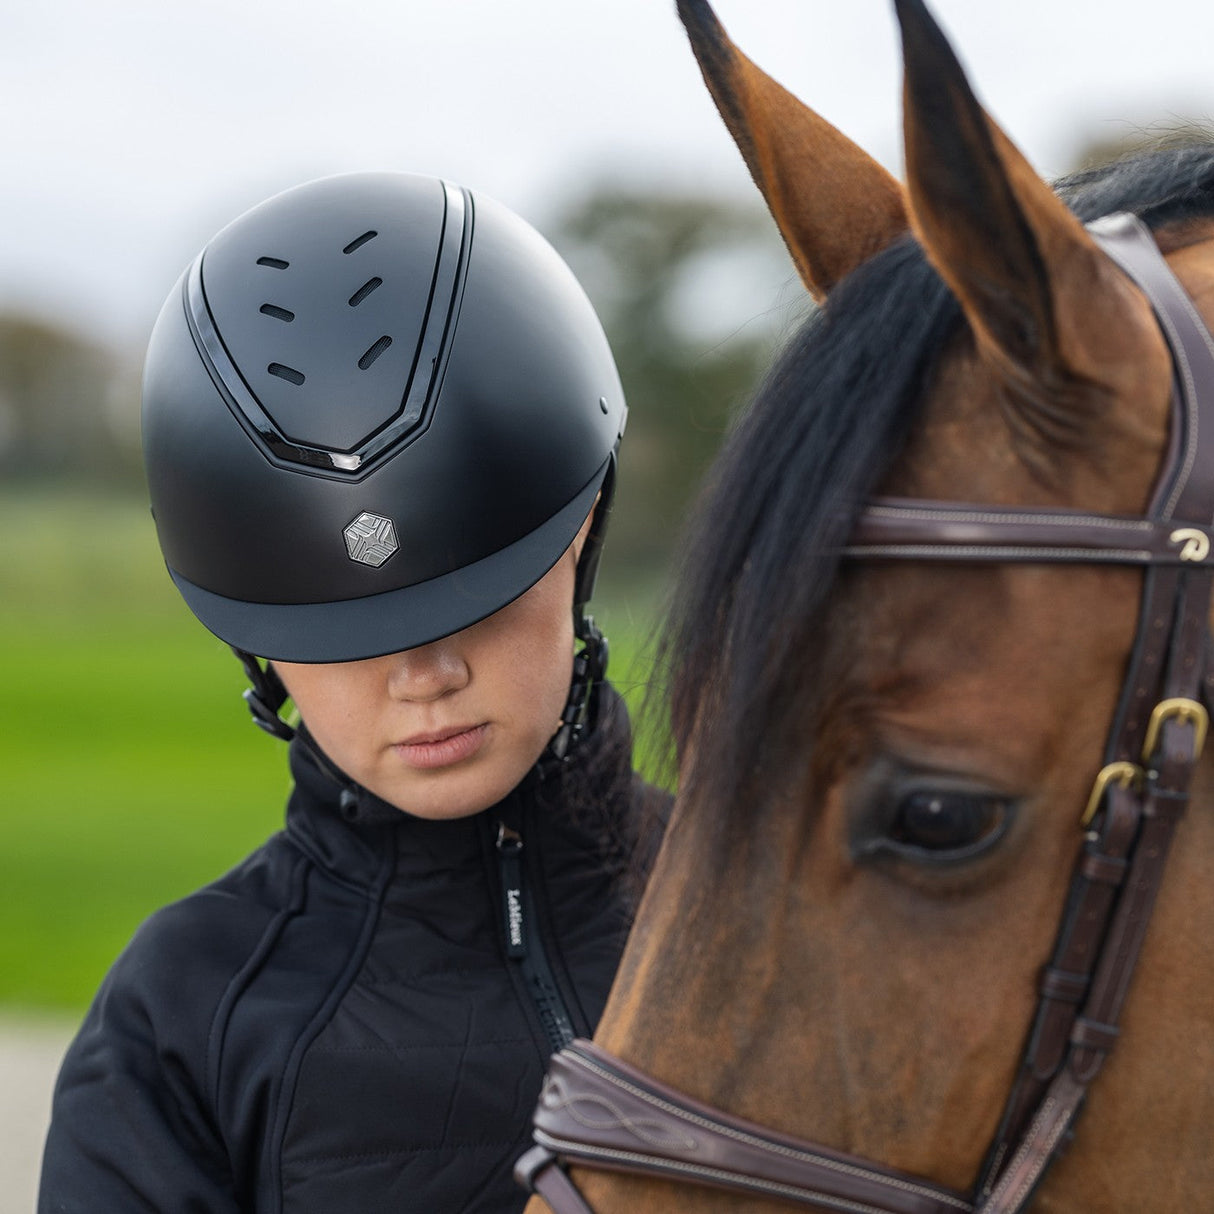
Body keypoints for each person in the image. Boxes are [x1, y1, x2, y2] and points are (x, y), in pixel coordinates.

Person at [39, 171, 666, 1214]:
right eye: (341, 636)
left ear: (581, 527)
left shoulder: (774, 917)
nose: (423, 679)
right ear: (255, 639)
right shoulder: (179, 1021)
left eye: (478, 603)